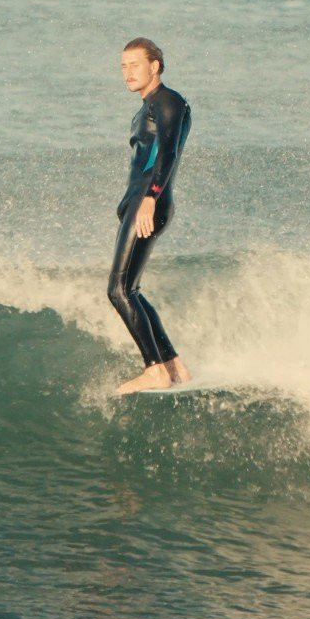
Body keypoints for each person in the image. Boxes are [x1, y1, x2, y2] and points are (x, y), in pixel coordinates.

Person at [109, 37, 193, 394]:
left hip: (149, 202)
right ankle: (174, 366)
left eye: (135, 65)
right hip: (139, 203)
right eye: (123, 66)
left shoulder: (168, 102)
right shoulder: (146, 107)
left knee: (118, 289)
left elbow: (168, 153)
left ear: (154, 66)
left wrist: (149, 198)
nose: (127, 72)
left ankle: (154, 369)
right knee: (133, 290)